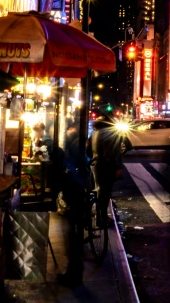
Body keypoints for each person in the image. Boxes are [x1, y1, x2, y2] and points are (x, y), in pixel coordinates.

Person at [57, 123, 88, 288]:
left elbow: (77, 167)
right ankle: (73, 271)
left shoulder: (76, 146)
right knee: (72, 235)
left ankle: (73, 273)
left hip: (75, 193)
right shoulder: (78, 144)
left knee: (72, 235)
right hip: (76, 192)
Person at [91, 115, 125, 220]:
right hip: (107, 166)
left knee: (100, 190)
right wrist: (117, 167)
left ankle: (99, 215)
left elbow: (88, 149)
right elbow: (111, 154)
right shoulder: (110, 134)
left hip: (97, 165)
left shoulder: (95, 134)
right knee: (105, 192)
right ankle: (102, 218)